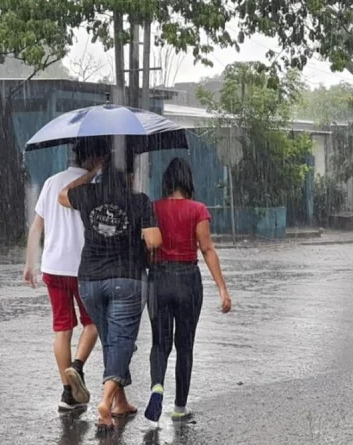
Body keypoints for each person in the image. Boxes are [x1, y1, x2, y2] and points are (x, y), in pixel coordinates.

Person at [58, 141, 161, 432]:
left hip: (89, 280)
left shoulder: (87, 193)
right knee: (121, 340)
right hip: (126, 279)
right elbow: (154, 241)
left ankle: (120, 402)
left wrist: (92, 173)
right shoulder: (139, 200)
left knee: (112, 340)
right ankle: (105, 402)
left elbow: (62, 196)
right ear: (129, 174)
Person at [144, 157, 232, 424]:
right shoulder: (198, 210)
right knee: (185, 345)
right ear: (188, 181)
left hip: (158, 280)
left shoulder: (152, 208)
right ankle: (179, 408)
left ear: (167, 181)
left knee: (160, 342)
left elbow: (146, 248)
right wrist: (222, 289)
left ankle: (157, 385)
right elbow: (207, 249)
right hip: (187, 280)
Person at [23, 143, 103, 411]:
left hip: (53, 266)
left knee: (62, 329)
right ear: (91, 157)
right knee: (93, 323)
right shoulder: (92, 186)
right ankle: (77, 368)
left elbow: (37, 227)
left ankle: (68, 394)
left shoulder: (51, 182)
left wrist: (29, 263)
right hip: (83, 266)